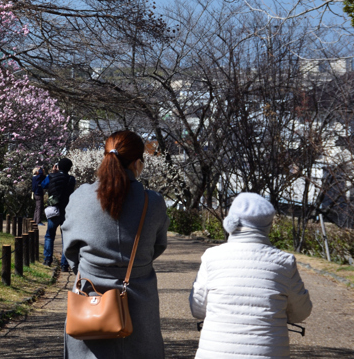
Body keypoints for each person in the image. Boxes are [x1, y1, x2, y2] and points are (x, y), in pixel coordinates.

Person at [61, 131, 168, 359]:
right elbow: (158, 246)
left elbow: (70, 248)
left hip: (89, 297)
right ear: (138, 162)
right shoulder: (154, 202)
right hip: (139, 297)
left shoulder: (80, 197)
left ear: (104, 157)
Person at [190, 193, 312, 359]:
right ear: (268, 225)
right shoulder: (284, 262)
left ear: (230, 222)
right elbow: (301, 312)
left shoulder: (212, 256)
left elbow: (197, 308)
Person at [41, 157, 75, 269]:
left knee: (50, 236)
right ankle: (64, 264)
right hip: (66, 211)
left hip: (53, 211)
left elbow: (43, 185)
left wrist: (52, 173)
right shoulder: (71, 179)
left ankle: (47, 260)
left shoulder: (51, 177)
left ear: (58, 166)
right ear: (69, 168)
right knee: (65, 238)